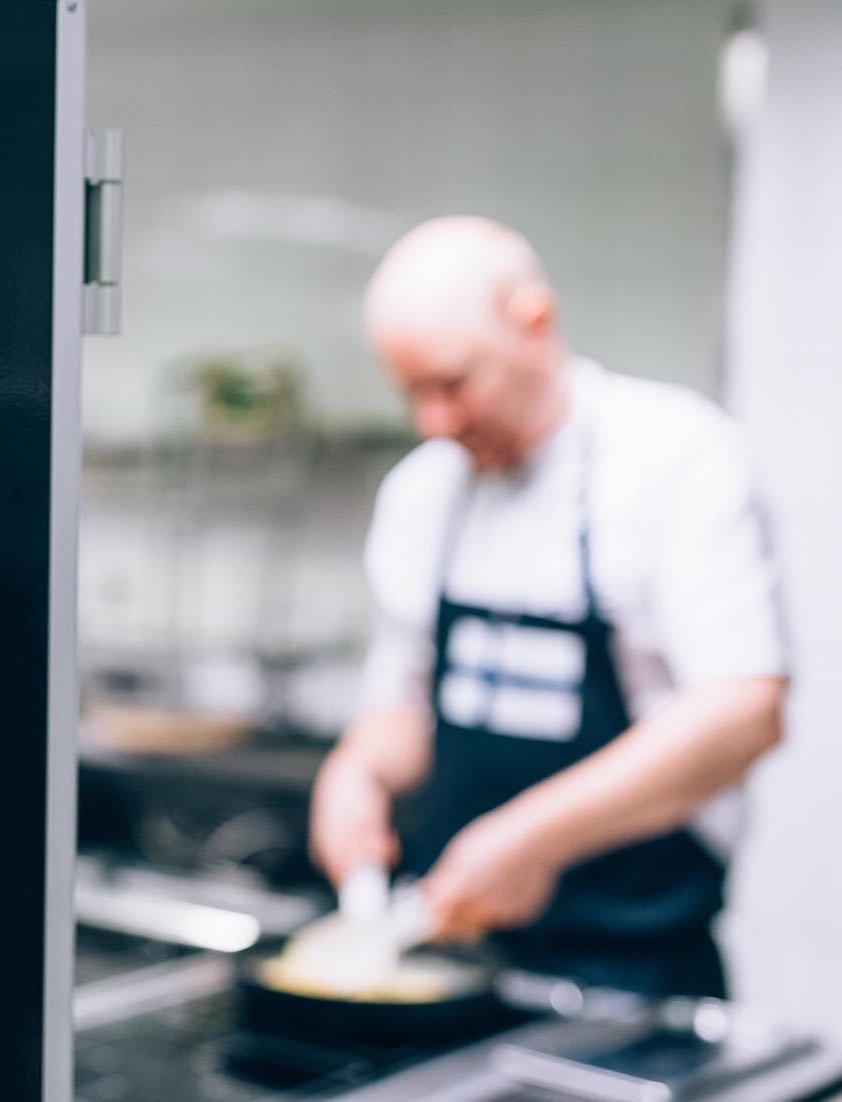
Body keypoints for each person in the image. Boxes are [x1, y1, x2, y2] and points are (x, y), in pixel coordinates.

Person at [309, 216, 788, 998]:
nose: (434, 422)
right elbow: (402, 712)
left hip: (634, 970)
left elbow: (743, 713)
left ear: (534, 323)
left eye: (453, 383)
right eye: (412, 393)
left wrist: (534, 840)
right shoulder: (421, 493)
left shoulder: (676, 458)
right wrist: (355, 773)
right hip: (450, 965)